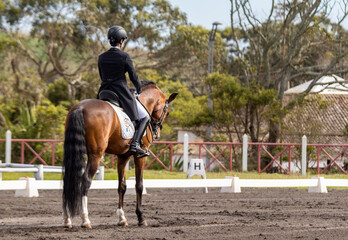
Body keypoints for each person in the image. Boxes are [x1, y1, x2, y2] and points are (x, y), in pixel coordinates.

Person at [97, 25, 149, 157]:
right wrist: (138, 89)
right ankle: (135, 143)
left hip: (104, 92)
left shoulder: (101, 57)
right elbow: (133, 76)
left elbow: (102, 76)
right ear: (121, 41)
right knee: (144, 116)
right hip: (121, 93)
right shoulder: (124, 56)